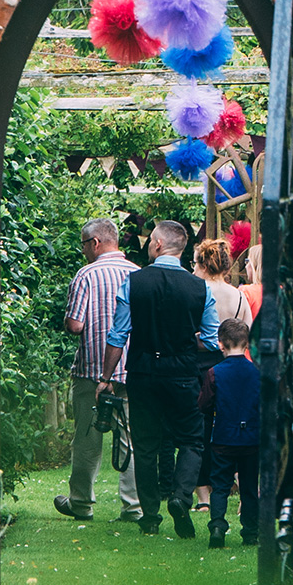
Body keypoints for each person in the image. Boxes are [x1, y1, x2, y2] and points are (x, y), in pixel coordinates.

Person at [100, 216, 218, 537]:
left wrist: (105, 376)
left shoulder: (134, 282)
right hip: (181, 372)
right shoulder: (199, 287)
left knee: (146, 443)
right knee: (192, 440)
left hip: (142, 371)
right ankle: (181, 497)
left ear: (158, 244)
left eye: (152, 239)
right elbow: (210, 339)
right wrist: (183, 338)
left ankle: (150, 516)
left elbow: (117, 334)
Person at [56, 219, 140, 523]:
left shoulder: (86, 275)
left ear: (95, 243)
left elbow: (75, 325)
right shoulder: (137, 274)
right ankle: (133, 506)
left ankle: (81, 503)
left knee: (87, 439)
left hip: (93, 371)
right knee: (130, 438)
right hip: (132, 371)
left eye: (83, 245)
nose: (83, 252)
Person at [202, 312, 260, 548]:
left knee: (220, 485)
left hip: (224, 437)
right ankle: (251, 531)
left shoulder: (214, 373)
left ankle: (217, 525)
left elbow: (204, 404)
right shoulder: (257, 372)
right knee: (249, 485)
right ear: (247, 345)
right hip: (252, 439)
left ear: (220, 344)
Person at [193, 235, 251, 334]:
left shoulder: (195, 292)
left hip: (199, 348)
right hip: (230, 348)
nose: (193, 270)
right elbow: (249, 330)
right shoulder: (240, 296)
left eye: (195, 264)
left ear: (205, 266)